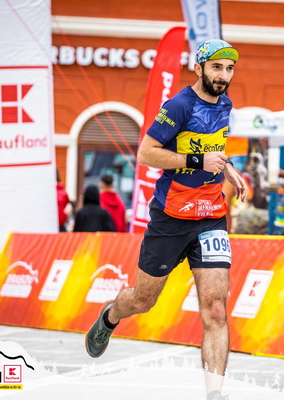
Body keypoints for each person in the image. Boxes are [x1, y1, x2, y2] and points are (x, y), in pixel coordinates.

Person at [84, 39, 246, 400]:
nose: (223, 76)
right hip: (171, 216)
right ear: (199, 68)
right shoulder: (179, 106)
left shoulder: (225, 104)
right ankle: (110, 316)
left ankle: (215, 394)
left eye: (229, 69)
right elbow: (146, 154)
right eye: (216, 67)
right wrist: (197, 162)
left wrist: (227, 168)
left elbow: (213, 146)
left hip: (211, 216)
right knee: (143, 301)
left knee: (216, 309)